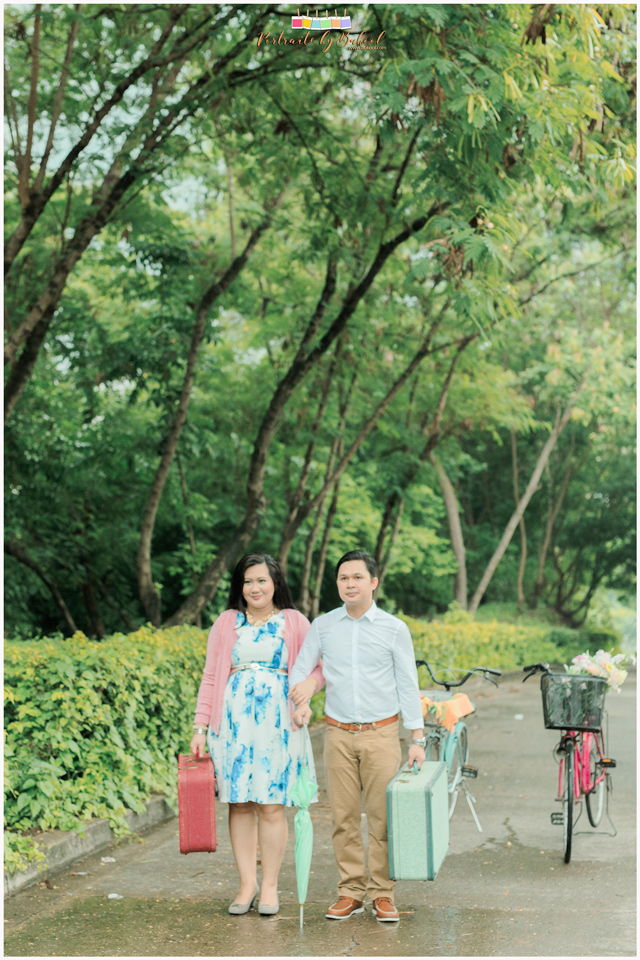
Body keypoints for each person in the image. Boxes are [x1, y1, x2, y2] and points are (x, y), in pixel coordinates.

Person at [289, 549, 425, 924]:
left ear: (373, 582)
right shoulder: (323, 625)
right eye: (343, 578)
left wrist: (417, 737)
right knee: (344, 817)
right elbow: (302, 669)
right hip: (338, 734)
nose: (349, 584)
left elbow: (407, 684)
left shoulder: (394, 629)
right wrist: (299, 699)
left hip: (381, 734)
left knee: (381, 819)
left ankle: (383, 892)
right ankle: (350, 890)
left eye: (357, 578)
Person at [190, 552, 324, 917]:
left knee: (270, 804)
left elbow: (318, 667)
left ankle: (269, 887)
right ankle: (246, 883)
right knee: (240, 802)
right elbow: (211, 677)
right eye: (248, 581)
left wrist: (308, 690)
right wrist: (200, 727)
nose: (255, 587)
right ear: (240, 586)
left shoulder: (295, 622)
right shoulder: (226, 622)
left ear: (275, 582)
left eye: (262, 580)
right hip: (232, 725)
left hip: (278, 724)